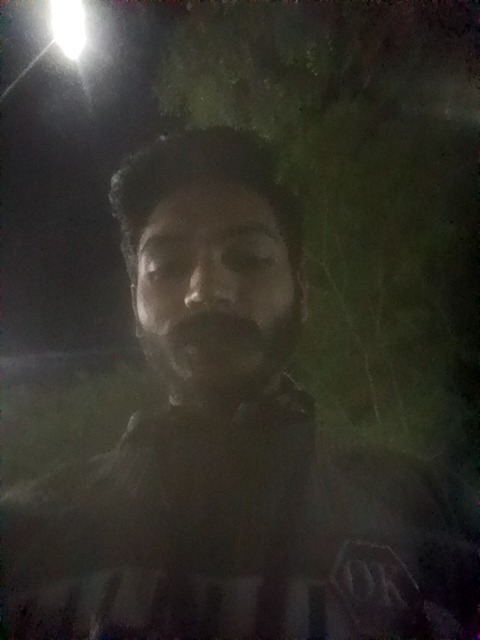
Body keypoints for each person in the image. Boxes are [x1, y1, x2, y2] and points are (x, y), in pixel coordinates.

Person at [3, 128, 478, 639]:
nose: (206, 290)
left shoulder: (434, 516)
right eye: (167, 266)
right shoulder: (25, 539)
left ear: (302, 290)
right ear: (134, 305)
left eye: (249, 259)